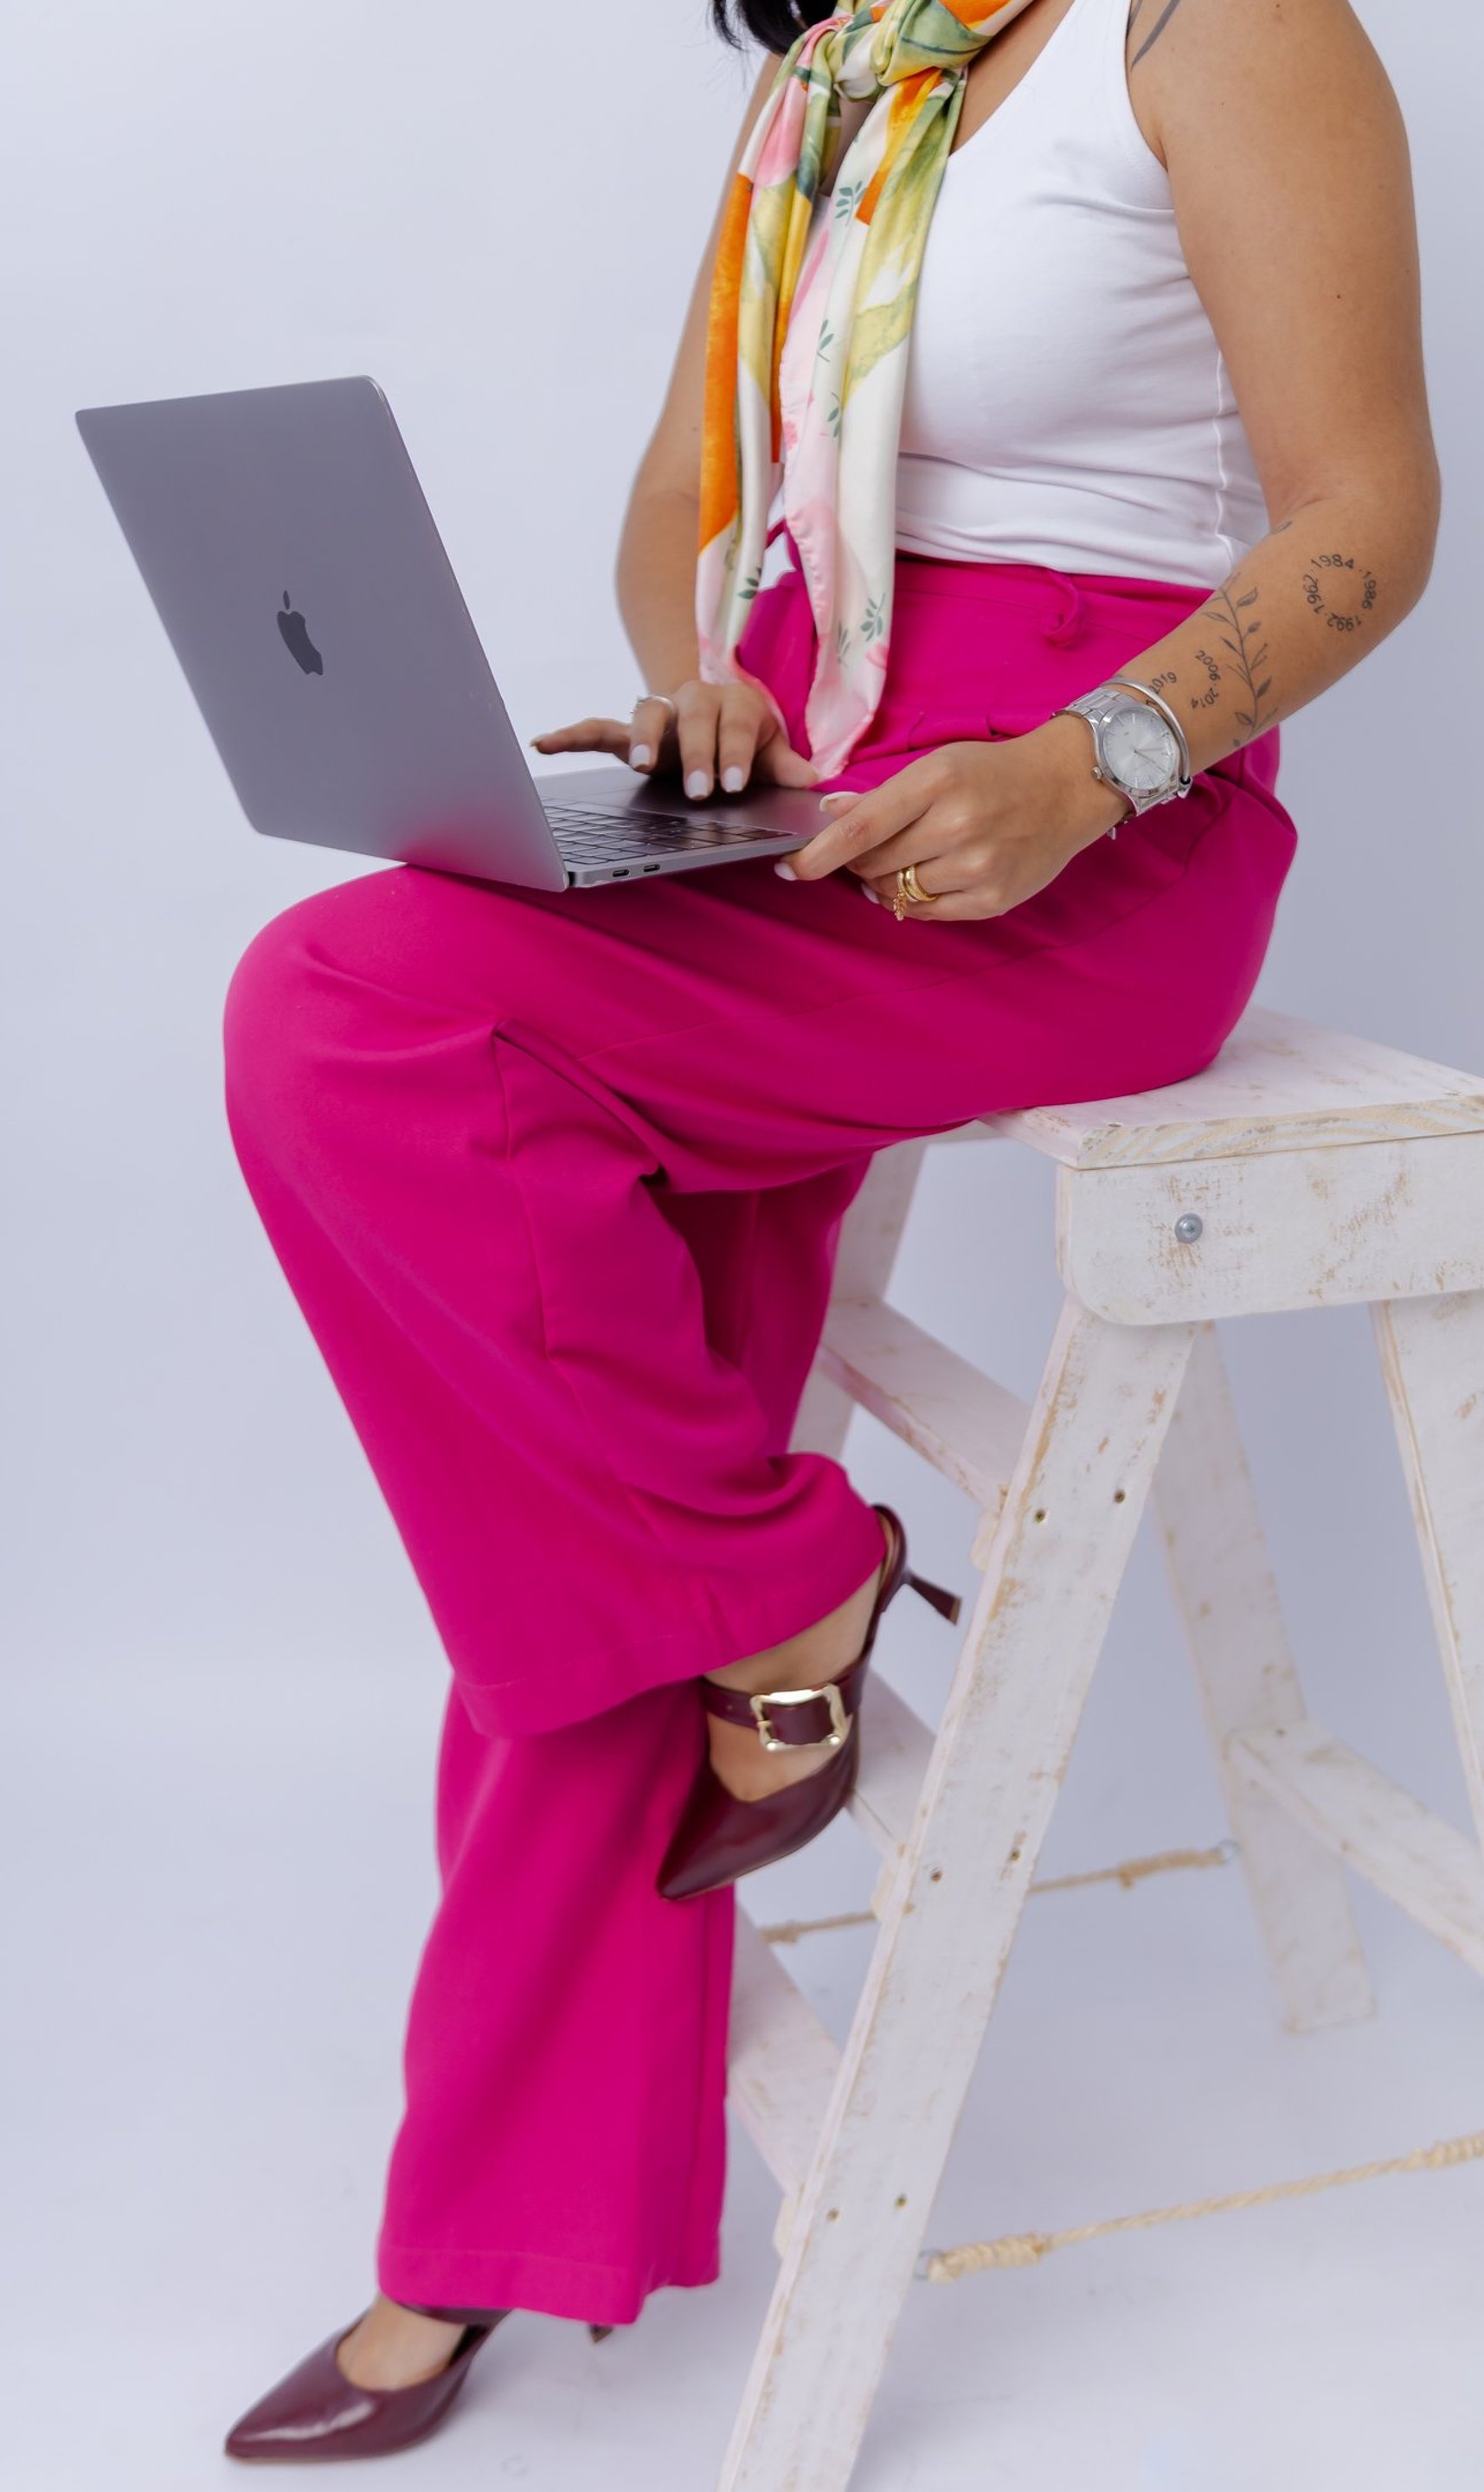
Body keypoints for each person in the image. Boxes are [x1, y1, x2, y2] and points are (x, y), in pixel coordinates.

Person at [219, 0, 1439, 2463]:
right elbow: (691, 486)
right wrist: (701, 715)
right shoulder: (838, 87)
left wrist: (1085, 776)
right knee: (579, 1448)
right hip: (820, 800)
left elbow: (1370, 517)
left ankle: (769, 1585)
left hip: (1080, 833)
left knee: (345, 1004)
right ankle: (505, 2184)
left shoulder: (1224, 30)